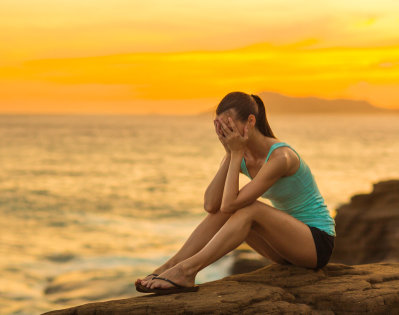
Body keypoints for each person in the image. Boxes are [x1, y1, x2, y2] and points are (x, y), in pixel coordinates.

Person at [135, 91, 336, 295]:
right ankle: (171, 265)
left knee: (248, 208)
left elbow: (231, 204)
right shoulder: (241, 154)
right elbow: (211, 206)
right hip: (284, 248)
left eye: (230, 126)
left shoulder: (281, 157)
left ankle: (186, 271)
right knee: (231, 208)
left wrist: (236, 153)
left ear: (250, 121)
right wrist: (230, 154)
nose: (226, 133)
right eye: (221, 128)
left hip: (315, 244)